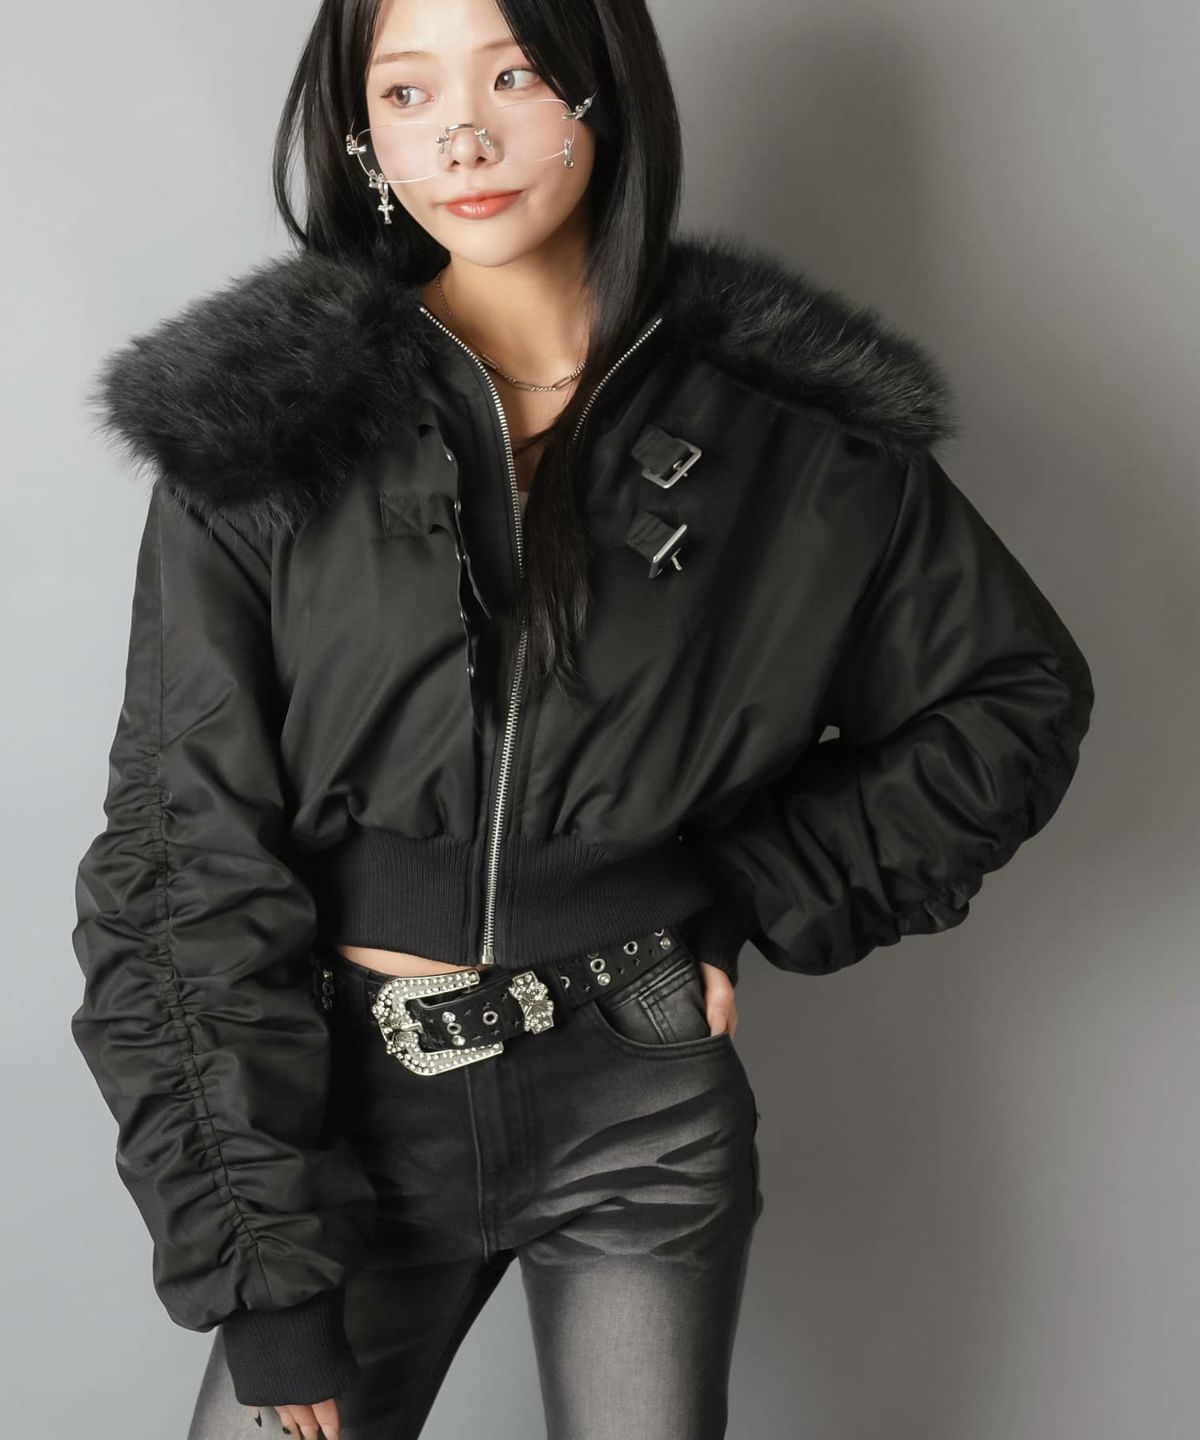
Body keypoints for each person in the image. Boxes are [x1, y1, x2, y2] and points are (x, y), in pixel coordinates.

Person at [69, 0, 1096, 1436]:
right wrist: (264, 1271)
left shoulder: (789, 436)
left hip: (642, 1106)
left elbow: (1009, 696)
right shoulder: (266, 432)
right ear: (362, 135)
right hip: (346, 1115)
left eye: (515, 74)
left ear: (601, 95)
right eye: (407, 92)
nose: (463, 134)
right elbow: (181, 861)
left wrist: (753, 885)